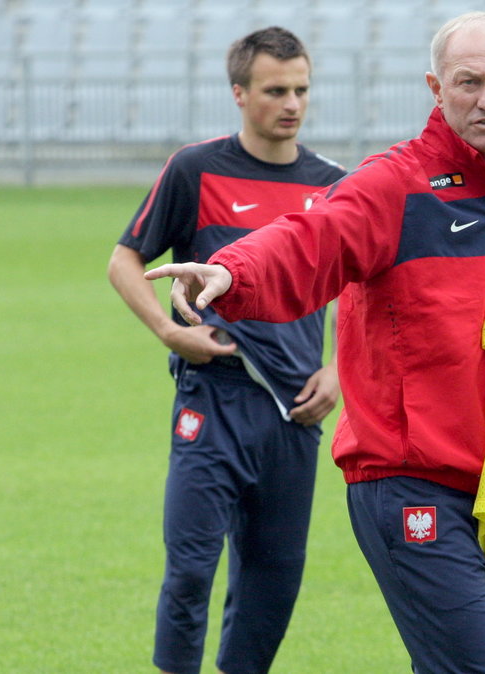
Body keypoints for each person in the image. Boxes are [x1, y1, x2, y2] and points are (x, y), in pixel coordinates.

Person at [147, 11, 485, 673]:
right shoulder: (396, 185)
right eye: (469, 82)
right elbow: (306, 242)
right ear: (436, 89)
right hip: (412, 486)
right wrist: (230, 271)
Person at [107, 26, 345, 674]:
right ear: (239, 93)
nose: (291, 103)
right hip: (212, 397)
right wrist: (167, 329)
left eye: (300, 89)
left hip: (295, 411)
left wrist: (339, 368)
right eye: (275, 90)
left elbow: (363, 289)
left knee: (274, 582)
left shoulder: (334, 187)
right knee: (189, 569)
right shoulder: (197, 169)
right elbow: (124, 260)